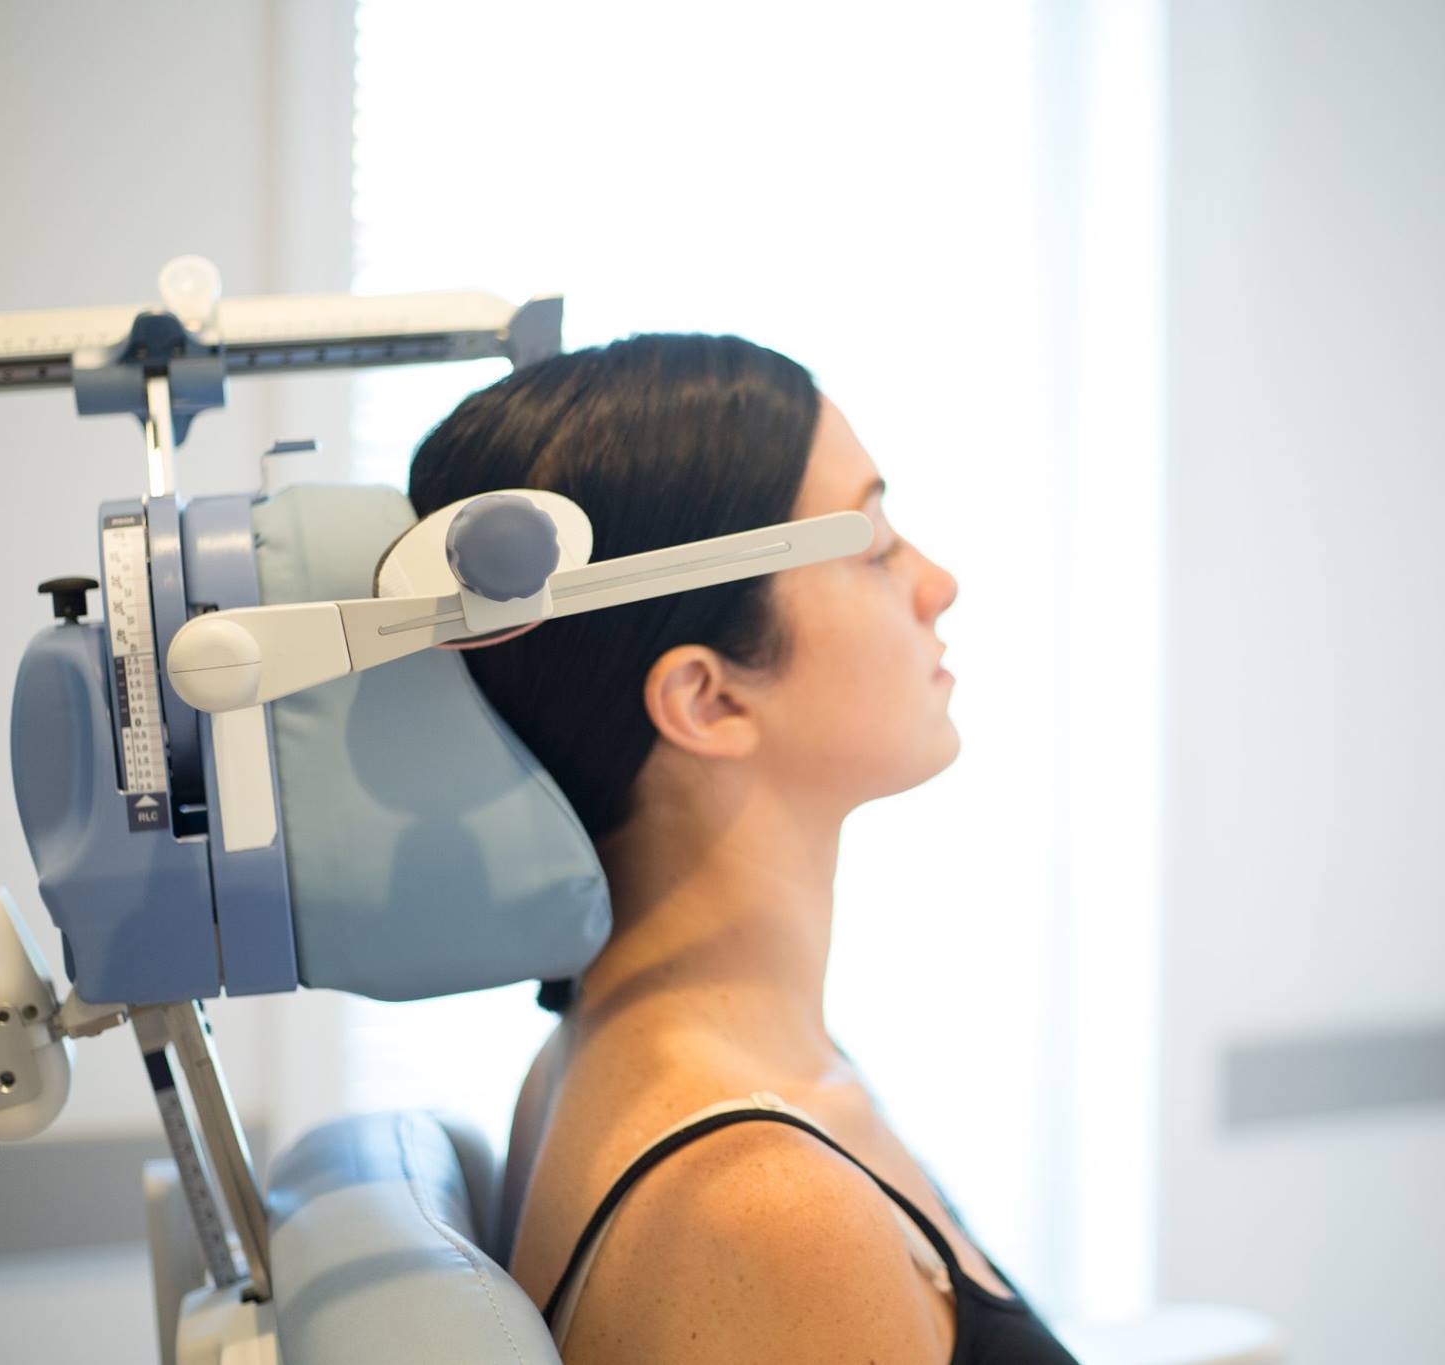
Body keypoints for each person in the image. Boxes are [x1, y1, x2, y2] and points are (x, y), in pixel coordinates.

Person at [406, 334, 1080, 1363]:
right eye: (872, 546)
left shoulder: (658, 1055)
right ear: (707, 697)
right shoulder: (762, 1203)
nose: (937, 583)